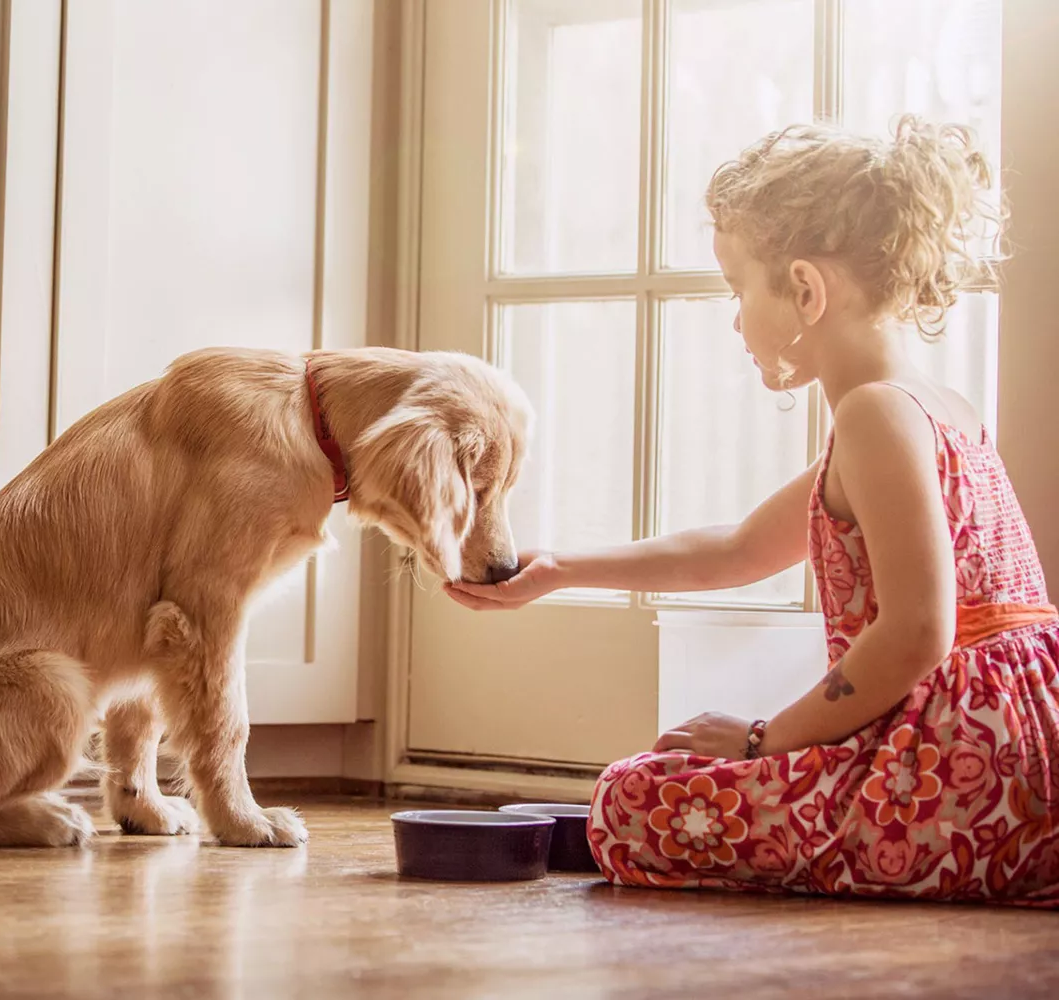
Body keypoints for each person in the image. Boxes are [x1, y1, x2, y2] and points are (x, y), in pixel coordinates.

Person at [448, 117, 1058, 906]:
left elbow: (916, 630)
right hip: (1018, 757)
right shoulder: (935, 408)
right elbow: (736, 549)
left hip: (959, 778)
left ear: (805, 289)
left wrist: (761, 740)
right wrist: (560, 569)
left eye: (739, 289)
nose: (735, 319)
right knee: (660, 782)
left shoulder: (875, 416)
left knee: (631, 800)